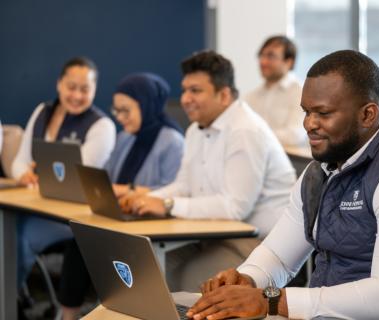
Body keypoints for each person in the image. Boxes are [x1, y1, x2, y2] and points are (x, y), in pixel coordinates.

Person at [187, 50, 379, 320]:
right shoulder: (318, 173)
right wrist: (248, 279)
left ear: (367, 115)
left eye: (323, 113)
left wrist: (271, 301)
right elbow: (278, 256)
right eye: (306, 112)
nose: (309, 124)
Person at [121, 51, 296, 292]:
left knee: (189, 284)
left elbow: (235, 208)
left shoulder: (245, 131)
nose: (185, 99)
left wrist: (169, 205)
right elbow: (184, 186)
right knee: (145, 270)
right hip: (211, 234)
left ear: (224, 95)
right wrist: (149, 199)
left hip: (257, 244)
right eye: (184, 90)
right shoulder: (195, 129)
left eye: (195, 91)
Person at [57, 72, 185, 320]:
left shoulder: (172, 142)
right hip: (121, 217)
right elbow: (109, 179)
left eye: (126, 111)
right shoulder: (126, 137)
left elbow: (176, 189)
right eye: (117, 111)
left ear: (147, 105)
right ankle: (69, 315)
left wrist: (129, 191)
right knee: (80, 241)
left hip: (153, 225)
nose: (120, 118)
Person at [13, 57, 116, 290]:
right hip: (34, 206)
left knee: (16, 239)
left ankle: (12, 299)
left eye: (85, 89)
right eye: (71, 87)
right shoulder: (42, 111)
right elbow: (20, 160)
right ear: (59, 84)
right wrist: (24, 175)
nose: (77, 96)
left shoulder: (102, 126)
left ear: (95, 90)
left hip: (72, 217)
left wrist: (38, 172)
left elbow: (80, 177)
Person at [244, 35, 306, 147]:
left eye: (270, 56)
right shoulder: (252, 96)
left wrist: (256, 135)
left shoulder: (301, 92)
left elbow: (295, 136)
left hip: (292, 161)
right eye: (261, 56)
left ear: (289, 62)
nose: (263, 62)